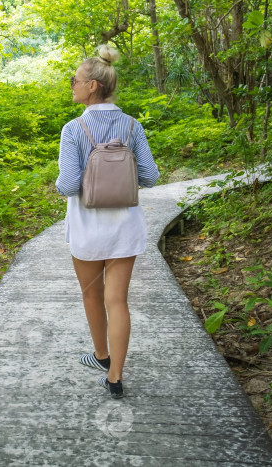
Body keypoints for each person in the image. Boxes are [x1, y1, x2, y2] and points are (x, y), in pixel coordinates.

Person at [55, 45, 159, 399]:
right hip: (124, 226)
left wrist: (70, 182)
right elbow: (151, 176)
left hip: (87, 226)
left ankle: (101, 355)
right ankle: (115, 377)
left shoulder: (74, 129)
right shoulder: (132, 125)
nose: (72, 86)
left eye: (75, 80)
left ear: (93, 86)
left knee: (92, 295)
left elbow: (68, 185)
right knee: (118, 300)